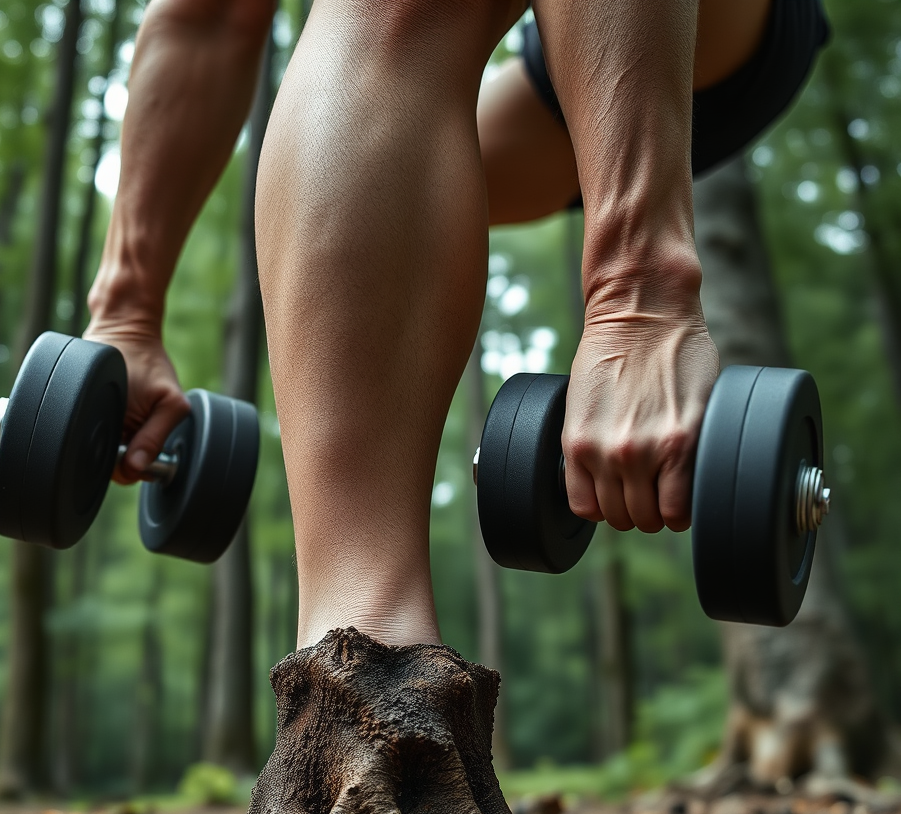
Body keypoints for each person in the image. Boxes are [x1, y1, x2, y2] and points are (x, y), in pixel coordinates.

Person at [87, 0, 828, 651]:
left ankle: (368, 637)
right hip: (527, 90)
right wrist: (124, 312)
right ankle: (355, 659)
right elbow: (206, 16)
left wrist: (638, 298)